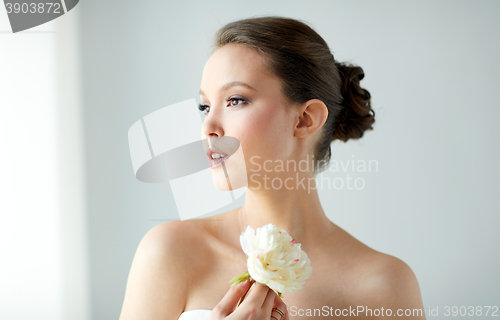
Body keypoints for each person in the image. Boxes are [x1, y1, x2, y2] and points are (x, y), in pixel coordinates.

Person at [119, 16, 426, 320]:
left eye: (235, 100)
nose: (208, 127)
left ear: (305, 119)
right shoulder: (171, 253)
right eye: (205, 107)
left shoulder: (385, 285)